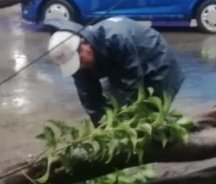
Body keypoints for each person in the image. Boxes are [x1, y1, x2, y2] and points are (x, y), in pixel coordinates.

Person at [46, 16, 184, 125]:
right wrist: (102, 128)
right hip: (120, 67)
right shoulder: (78, 60)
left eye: (79, 62)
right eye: (75, 65)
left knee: (148, 114)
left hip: (156, 62)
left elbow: (132, 86)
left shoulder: (117, 39)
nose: (80, 67)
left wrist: (129, 121)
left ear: (84, 43)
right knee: (113, 107)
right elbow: (89, 97)